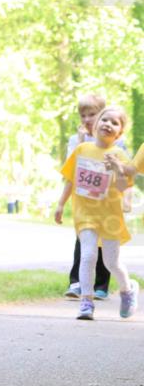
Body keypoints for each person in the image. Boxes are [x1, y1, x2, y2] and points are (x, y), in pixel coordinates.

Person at [54, 106, 138, 320]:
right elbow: (70, 180)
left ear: (119, 133)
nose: (108, 124)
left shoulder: (119, 155)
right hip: (85, 214)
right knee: (88, 255)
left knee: (112, 262)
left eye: (115, 123)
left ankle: (128, 290)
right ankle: (86, 302)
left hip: (110, 216)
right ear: (96, 124)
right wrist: (61, 204)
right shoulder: (82, 149)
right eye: (105, 119)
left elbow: (122, 187)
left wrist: (118, 169)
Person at [61, 94, 126, 300]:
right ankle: (78, 285)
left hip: (106, 205)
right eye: (83, 116)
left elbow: (124, 175)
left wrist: (126, 198)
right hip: (84, 203)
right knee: (84, 245)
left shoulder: (116, 143)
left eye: (92, 115)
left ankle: (102, 285)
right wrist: (61, 203)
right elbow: (70, 170)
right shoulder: (77, 141)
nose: (87, 119)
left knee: (107, 252)